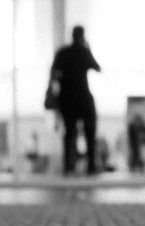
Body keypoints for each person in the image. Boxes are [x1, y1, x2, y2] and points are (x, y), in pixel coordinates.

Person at [50, 26, 102, 176]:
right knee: (90, 132)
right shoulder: (84, 51)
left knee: (69, 133)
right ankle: (91, 166)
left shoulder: (62, 52)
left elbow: (53, 73)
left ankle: (68, 167)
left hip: (66, 98)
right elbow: (97, 68)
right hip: (83, 97)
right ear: (82, 35)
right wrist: (87, 47)